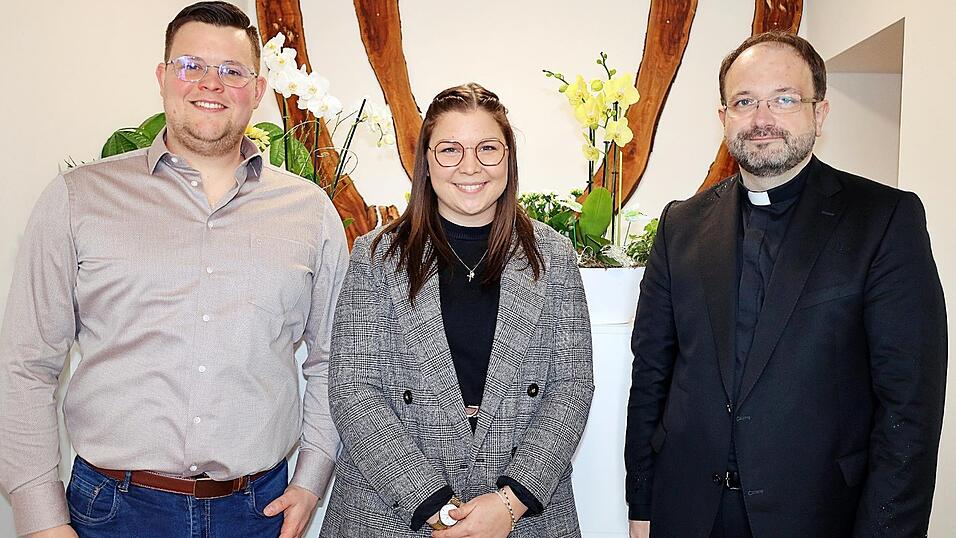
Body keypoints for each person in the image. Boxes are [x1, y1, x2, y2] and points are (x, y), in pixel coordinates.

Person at [0, 2, 348, 537]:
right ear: (163, 78)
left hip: (258, 513)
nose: (211, 83)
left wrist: (312, 478)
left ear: (257, 92)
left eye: (233, 71)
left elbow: (332, 360)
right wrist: (39, 519)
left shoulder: (311, 212)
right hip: (111, 513)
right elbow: (24, 366)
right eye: (191, 65)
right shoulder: (78, 199)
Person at [625, 31, 947, 538]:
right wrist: (640, 504)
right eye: (744, 101)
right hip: (686, 511)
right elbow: (651, 377)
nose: (761, 119)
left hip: (819, 514)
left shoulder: (884, 220)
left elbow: (909, 409)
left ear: (819, 113)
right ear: (723, 117)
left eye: (785, 99)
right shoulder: (680, 224)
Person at [320, 82, 594, 537]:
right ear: (426, 161)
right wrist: (432, 503)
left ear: (508, 158)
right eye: (449, 149)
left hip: (522, 515)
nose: (470, 167)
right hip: (390, 511)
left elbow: (571, 385)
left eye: (488, 148)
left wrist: (510, 503)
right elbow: (354, 391)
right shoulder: (376, 256)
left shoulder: (552, 255)